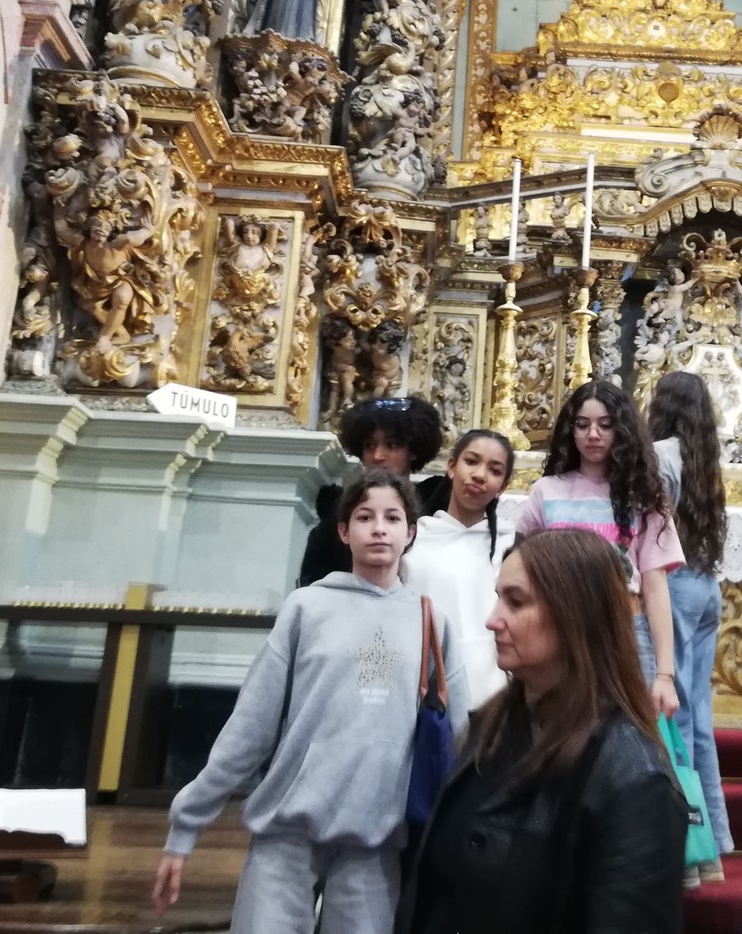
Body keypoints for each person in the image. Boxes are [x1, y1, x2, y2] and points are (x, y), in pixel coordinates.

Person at [155, 470, 469, 933]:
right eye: (364, 517)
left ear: (410, 533)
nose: (379, 528)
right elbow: (252, 725)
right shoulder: (306, 607)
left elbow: (459, 735)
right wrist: (186, 825)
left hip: (377, 842)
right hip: (287, 832)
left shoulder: (431, 621)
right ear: (343, 531)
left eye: (392, 518)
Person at [397, 528, 689, 933]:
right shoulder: (491, 727)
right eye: (498, 597)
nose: (492, 620)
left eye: (516, 602)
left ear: (576, 615)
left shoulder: (635, 780)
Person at [513, 380, 682, 718]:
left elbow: (655, 586)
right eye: (583, 424)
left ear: (622, 431)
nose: (593, 434)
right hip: (556, 629)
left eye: (605, 425)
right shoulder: (546, 491)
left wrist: (665, 674)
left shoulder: (644, 497)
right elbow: (520, 574)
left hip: (625, 630)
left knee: (627, 733)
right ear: (570, 429)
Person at [648, 371, 735, 885]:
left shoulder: (660, 455)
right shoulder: (703, 458)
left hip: (675, 587)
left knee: (672, 715)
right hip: (704, 586)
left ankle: (683, 845)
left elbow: (652, 533)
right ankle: (712, 845)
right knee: (698, 717)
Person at [402, 429, 516, 711]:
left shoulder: (512, 546)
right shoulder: (414, 541)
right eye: (471, 461)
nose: (480, 475)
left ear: (503, 486)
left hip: (494, 696)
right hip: (423, 691)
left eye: (494, 470)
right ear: (452, 467)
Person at [298, 395, 445, 587]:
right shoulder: (336, 517)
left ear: (413, 450)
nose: (377, 455)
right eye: (369, 445)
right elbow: (312, 585)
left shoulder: (437, 507)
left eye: (392, 445)